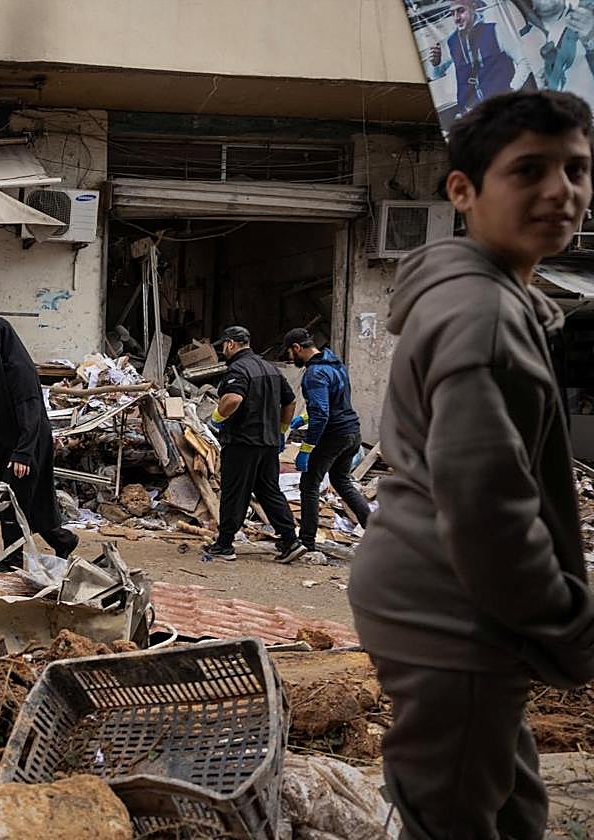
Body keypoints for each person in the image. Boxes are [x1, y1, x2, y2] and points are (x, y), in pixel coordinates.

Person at [350, 91, 594, 839]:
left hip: (435, 587)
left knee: (512, 806)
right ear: (463, 191)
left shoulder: (490, 297)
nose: (562, 191)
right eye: (529, 171)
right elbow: (488, 510)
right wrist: (567, 627)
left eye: (578, 169)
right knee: (453, 814)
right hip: (451, 606)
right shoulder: (482, 314)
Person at [0, 316, 78, 567]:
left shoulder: (19, 370)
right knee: (30, 503)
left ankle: (13, 559)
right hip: (8, 445)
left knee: (12, 502)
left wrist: (23, 454)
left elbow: (31, 413)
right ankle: (63, 540)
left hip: (28, 445)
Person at [203, 325, 305, 564]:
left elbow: (233, 398)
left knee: (234, 491)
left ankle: (225, 544)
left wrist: (216, 419)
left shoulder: (238, 368)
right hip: (268, 443)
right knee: (269, 491)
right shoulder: (270, 368)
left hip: (242, 442)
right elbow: (290, 402)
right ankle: (291, 540)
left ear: (230, 344)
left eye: (224, 347)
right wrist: (280, 431)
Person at [281, 328, 370, 552]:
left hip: (334, 436)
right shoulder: (335, 363)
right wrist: (303, 417)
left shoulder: (314, 373)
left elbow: (322, 412)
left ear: (297, 348)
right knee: (341, 481)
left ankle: (307, 543)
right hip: (352, 432)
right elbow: (333, 402)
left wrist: (307, 448)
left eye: (290, 354)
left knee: (309, 485)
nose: (290, 359)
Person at [429, 0, 522, 113]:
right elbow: (435, 75)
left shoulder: (494, 30)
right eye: (452, 13)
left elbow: (523, 60)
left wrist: (512, 89)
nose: (456, 18)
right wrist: (435, 64)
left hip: (502, 107)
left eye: (461, 11)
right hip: (472, 114)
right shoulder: (451, 42)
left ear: (473, 8)